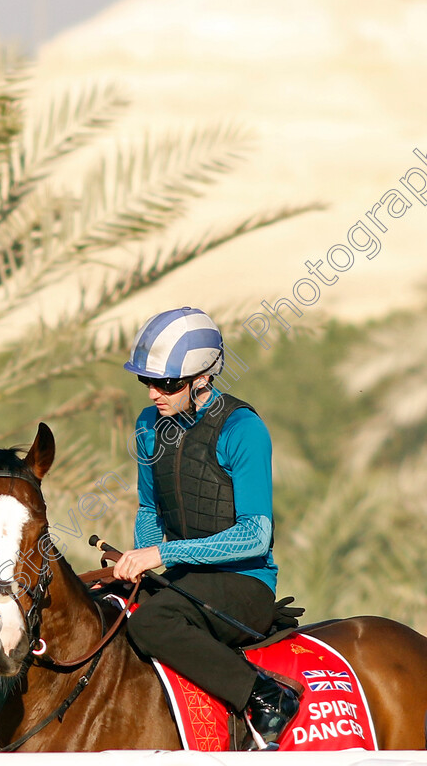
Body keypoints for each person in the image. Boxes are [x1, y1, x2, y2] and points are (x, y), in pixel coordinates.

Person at [113, 306, 299, 749]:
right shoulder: (147, 426)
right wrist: (144, 562)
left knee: (150, 624)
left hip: (243, 586)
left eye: (168, 384)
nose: (155, 394)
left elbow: (255, 534)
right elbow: (149, 508)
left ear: (202, 378)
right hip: (182, 581)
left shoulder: (243, 429)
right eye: (148, 382)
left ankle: (265, 695)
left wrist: (163, 556)